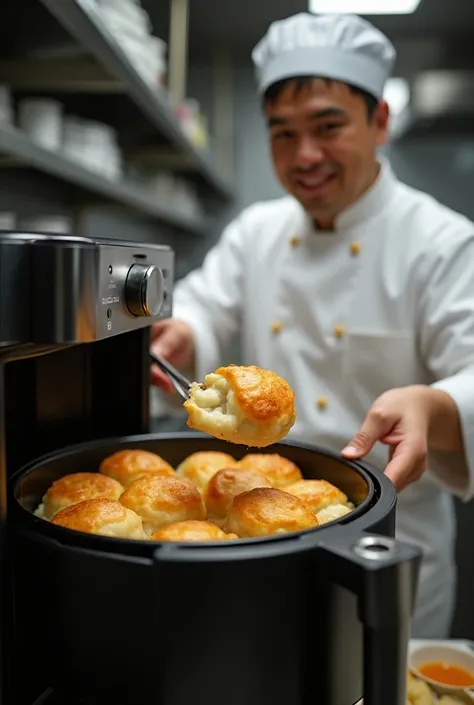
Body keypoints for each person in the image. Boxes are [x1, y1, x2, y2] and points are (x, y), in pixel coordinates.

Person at [151, 12, 474, 638]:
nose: (305, 156)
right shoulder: (258, 231)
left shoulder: (443, 243)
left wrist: (435, 405)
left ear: (379, 121)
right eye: (283, 134)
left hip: (388, 547)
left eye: (328, 127)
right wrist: (184, 332)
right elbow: (206, 304)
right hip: (263, 529)